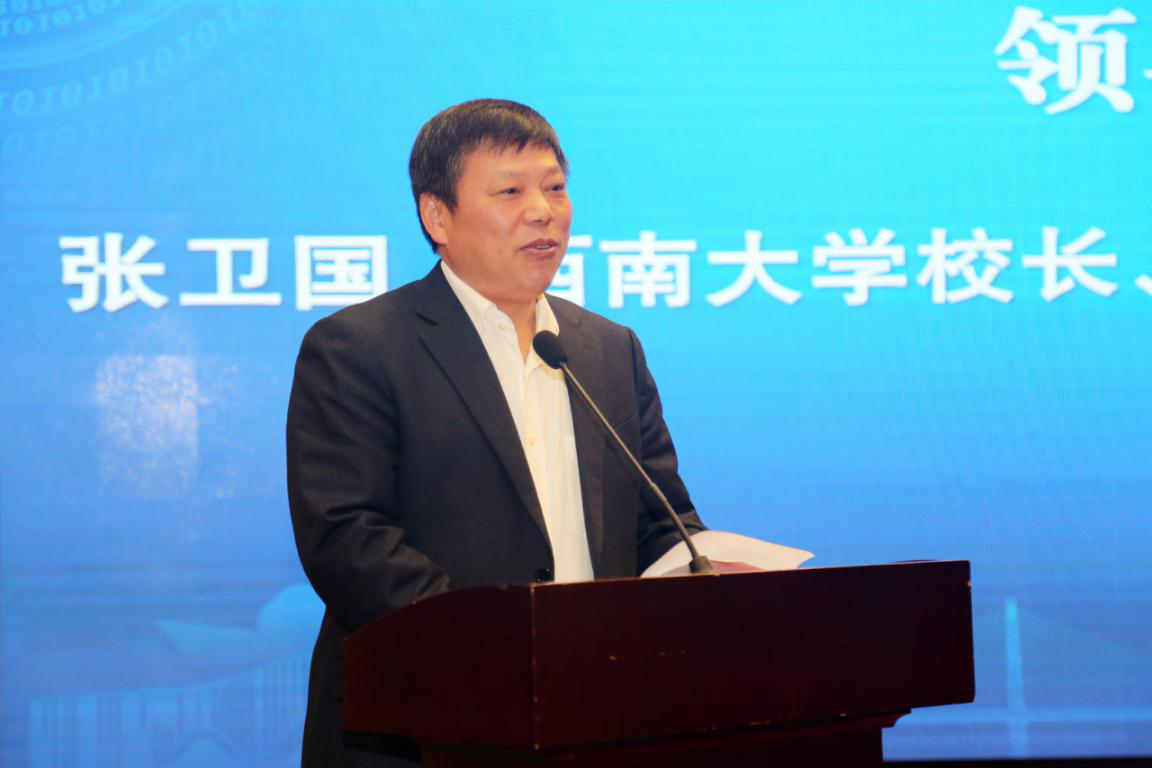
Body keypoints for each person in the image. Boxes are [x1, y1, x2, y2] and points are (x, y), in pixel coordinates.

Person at [286, 98, 705, 767]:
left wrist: (706, 576)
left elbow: (660, 520)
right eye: (510, 192)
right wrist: (504, 651)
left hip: (596, 718)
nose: (543, 211)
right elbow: (348, 538)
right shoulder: (360, 347)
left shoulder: (608, 349)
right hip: (423, 725)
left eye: (555, 189)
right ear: (437, 216)